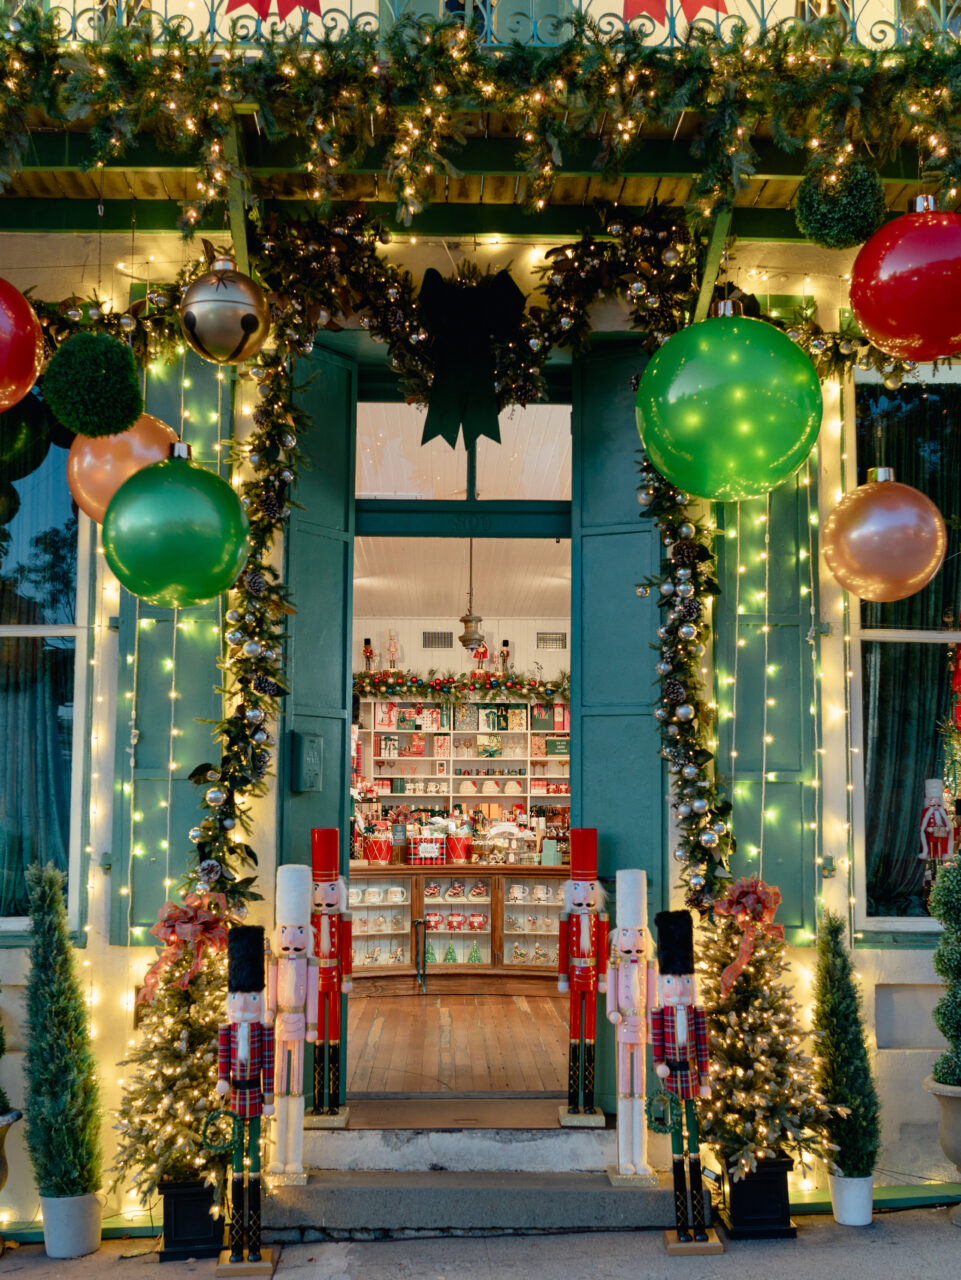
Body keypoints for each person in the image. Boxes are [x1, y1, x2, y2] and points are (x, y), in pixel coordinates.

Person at [651, 909, 711, 1244]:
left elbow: (703, 1047)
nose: (678, 989)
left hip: (691, 1077)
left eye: (684, 982)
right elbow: (657, 1044)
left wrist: (704, 1078)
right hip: (672, 1081)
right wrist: (659, 1062)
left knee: (694, 1147)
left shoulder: (696, 1014)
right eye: (672, 983)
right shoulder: (661, 1013)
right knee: (677, 1144)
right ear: (664, 983)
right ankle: (682, 1225)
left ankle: (700, 1223)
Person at [217, 925, 274, 1264]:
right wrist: (223, 1080)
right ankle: (237, 1244)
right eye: (240, 998)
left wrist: (268, 1097)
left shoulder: (262, 1031)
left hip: (255, 1095)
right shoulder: (229, 1030)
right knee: (238, 1165)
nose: (245, 1004)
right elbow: (224, 1062)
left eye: (252, 998)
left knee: (254, 1165)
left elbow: (269, 1062)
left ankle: (254, 1243)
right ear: (231, 999)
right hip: (237, 1096)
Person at [558, 828, 608, 1114]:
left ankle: (588, 1101)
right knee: (575, 1033)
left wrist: (602, 977)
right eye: (578, 887)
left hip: (591, 975)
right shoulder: (569, 918)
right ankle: (572, 1100)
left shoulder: (599, 919)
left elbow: (601, 949)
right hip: (575, 976)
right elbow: (564, 947)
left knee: (589, 1033)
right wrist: (563, 976)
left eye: (588, 888)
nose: (584, 894)